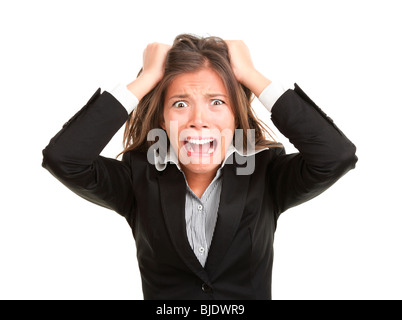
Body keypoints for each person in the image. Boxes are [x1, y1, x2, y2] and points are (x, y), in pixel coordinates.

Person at [42, 34, 357, 299]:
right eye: (180, 104)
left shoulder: (265, 171)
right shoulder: (138, 176)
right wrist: (146, 79)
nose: (198, 120)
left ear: (237, 118)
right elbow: (64, 158)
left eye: (217, 102)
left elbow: (335, 156)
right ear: (162, 120)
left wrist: (250, 75)